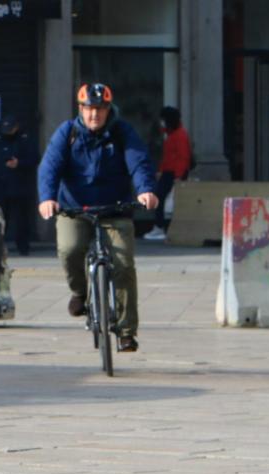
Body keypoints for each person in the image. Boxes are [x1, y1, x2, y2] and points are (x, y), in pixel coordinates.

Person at [37, 82, 158, 353]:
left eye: (100, 110)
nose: (95, 115)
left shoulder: (122, 132)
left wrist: (146, 190)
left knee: (124, 264)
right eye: (90, 109)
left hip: (114, 209)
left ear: (108, 110)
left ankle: (126, 331)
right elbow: (50, 166)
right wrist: (47, 198)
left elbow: (139, 162)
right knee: (70, 250)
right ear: (81, 109)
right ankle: (81, 292)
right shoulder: (66, 133)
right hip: (74, 209)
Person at [0, 115, 39, 255]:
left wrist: (19, 164)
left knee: (22, 220)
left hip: (21, 186)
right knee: (1, 219)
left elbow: (35, 158)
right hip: (2, 186)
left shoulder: (25, 139)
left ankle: (23, 247)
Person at [144, 105, 193, 241]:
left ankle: (160, 227)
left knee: (160, 198)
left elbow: (183, 157)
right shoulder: (174, 134)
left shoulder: (178, 135)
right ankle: (160, 227)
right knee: (161, 198)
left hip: (173, 173)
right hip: (169, 172)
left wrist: (178, 175)